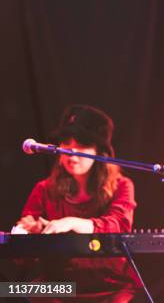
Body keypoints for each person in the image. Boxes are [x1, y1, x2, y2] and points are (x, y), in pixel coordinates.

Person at [16, 104, 141, 302]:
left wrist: (73, 222)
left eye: (82, 143)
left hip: (111, 285)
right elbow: (21, 252)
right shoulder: (44, 188)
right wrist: (29, 233)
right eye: (66, 142)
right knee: (12, 290)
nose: (72, 151)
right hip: (61, 285)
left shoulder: (122, 185)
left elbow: (119, 226)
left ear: (100, 151)